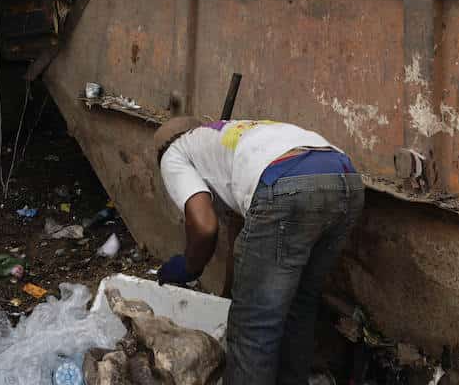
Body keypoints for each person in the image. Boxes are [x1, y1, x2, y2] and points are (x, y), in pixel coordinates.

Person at [153, 115, 364, 385]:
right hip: (345, 178)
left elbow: (204, 227)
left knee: (253, 327)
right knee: (299, 306)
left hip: (287, 184)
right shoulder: (237, 134)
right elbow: (248, 233)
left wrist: (188, 266)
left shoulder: (174, 153)